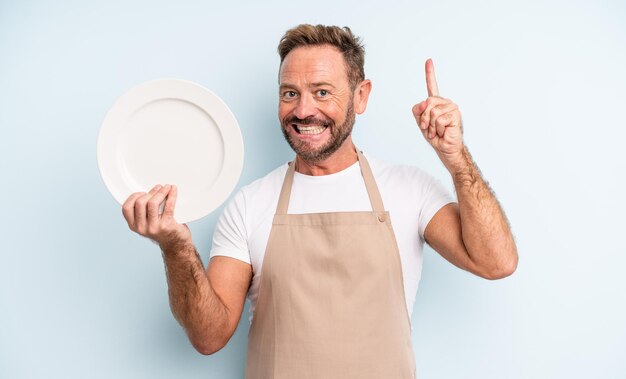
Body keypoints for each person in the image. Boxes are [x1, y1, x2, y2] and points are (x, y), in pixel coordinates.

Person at [122, 24, 518, 378]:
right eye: (289, 93)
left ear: (361, 96)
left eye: (322, 92)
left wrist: (455, 157)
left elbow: (496, 262)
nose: (303, 110)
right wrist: (176, 246)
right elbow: (209, 337)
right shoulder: (250, 204)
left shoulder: (409, 189)